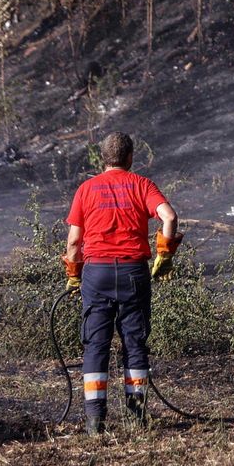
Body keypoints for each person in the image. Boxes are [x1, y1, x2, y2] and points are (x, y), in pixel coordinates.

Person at [63, 132, 182, 434]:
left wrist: (73, 274)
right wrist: (164, 255)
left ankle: (94, 421)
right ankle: (137, 416)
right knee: (135, 342)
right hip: (133, 273)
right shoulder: (142, 185)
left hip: (97, 274)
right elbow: (168, 216)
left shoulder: (86, 189)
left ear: (102, 158)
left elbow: (75, 242)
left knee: (95, 345)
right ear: (130, 158)